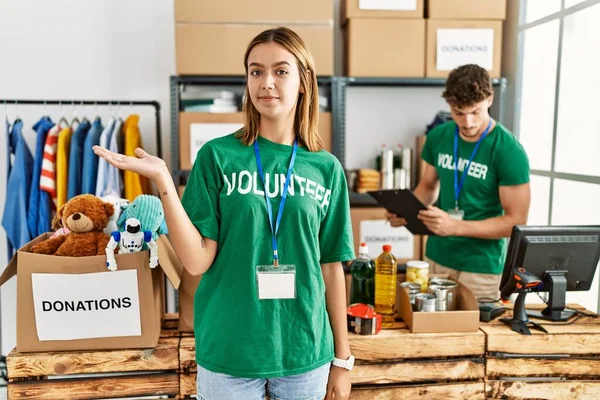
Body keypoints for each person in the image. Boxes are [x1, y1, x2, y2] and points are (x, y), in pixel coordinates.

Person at [94, 27, 355, 400]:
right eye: (255, 71)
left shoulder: (326, 168)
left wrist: (342, 360)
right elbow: (197, 261)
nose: (267, 83)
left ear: (303, 81)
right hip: (230, 352)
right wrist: (165, 182)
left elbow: (332, 267)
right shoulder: (217, 156)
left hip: (305, 350)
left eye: (281, 71)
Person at [387, 64, 531, 302]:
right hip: (436, 258)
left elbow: (516, 222)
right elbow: (428, 186)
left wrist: (454, 227)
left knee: (475, 338)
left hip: (481, 268)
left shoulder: (508, 151)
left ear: (489, 99)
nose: (468, 122)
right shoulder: (438, 137)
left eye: (475, 112)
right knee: (432, 333)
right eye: (458, 112)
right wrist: (406, 210)